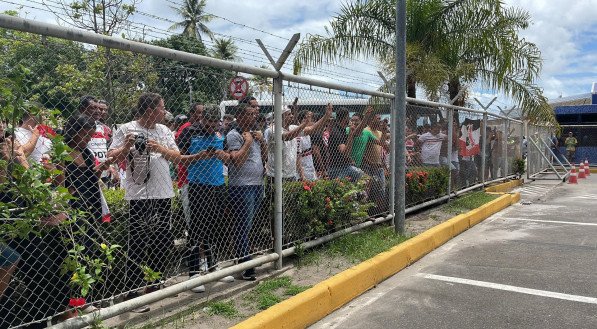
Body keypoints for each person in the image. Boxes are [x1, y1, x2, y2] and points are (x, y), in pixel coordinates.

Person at [108, 92, 180, 313]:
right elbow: (111, 158)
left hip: (163, 193)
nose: (164, 111)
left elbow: (176, 157)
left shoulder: (164, 130)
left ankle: (155, 284)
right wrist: (126, 147)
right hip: (139, 195)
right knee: (137, 243)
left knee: (161, 240)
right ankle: (132, 293)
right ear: (150, 110)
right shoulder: (126, 129)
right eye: (161, 108)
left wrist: (159, 148)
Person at [177, 105, 235, 291]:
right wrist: (199, 156)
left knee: (215, 226)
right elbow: (179, 158)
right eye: (208, 124)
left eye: (215, 124)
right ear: (202, 120)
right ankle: (193, 274)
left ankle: (213, 266)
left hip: (217, 184)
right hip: (198, 185)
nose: (212, 128)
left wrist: (221, 154)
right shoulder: (189, 132)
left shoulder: (220, 134)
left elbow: (228, 159)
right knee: (196, 228)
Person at [226, 104, 267, 281]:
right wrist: (248, 142)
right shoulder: (234, 135)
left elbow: (264, 157)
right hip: (242, 186)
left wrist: (261, 141)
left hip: (257, 184)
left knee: (247, 225)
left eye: (254, 114)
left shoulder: (254, 133)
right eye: (249, 114)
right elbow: (237, 161)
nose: (253, 117)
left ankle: (243, 258)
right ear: (239, 116)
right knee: (242, 226)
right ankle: (245, 264)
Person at [327, 107, 369, 181]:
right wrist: (350, 136)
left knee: (362, 181)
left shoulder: (343, 129)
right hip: (338, 169)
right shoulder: (337, 133)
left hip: (344, 166)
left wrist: (365, 118)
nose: (350, 119)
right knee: (365, 178)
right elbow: (345, 153)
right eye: (348, 117)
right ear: (345, 118)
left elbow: (357, 132)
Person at [295, 107, 332, 181]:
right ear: (303, 120)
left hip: (311, 171)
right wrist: (302, 177)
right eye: (311, 119)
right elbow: (297, 158)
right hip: (303, 173)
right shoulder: (299, 137)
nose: (313, 122)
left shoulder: (308, 135)